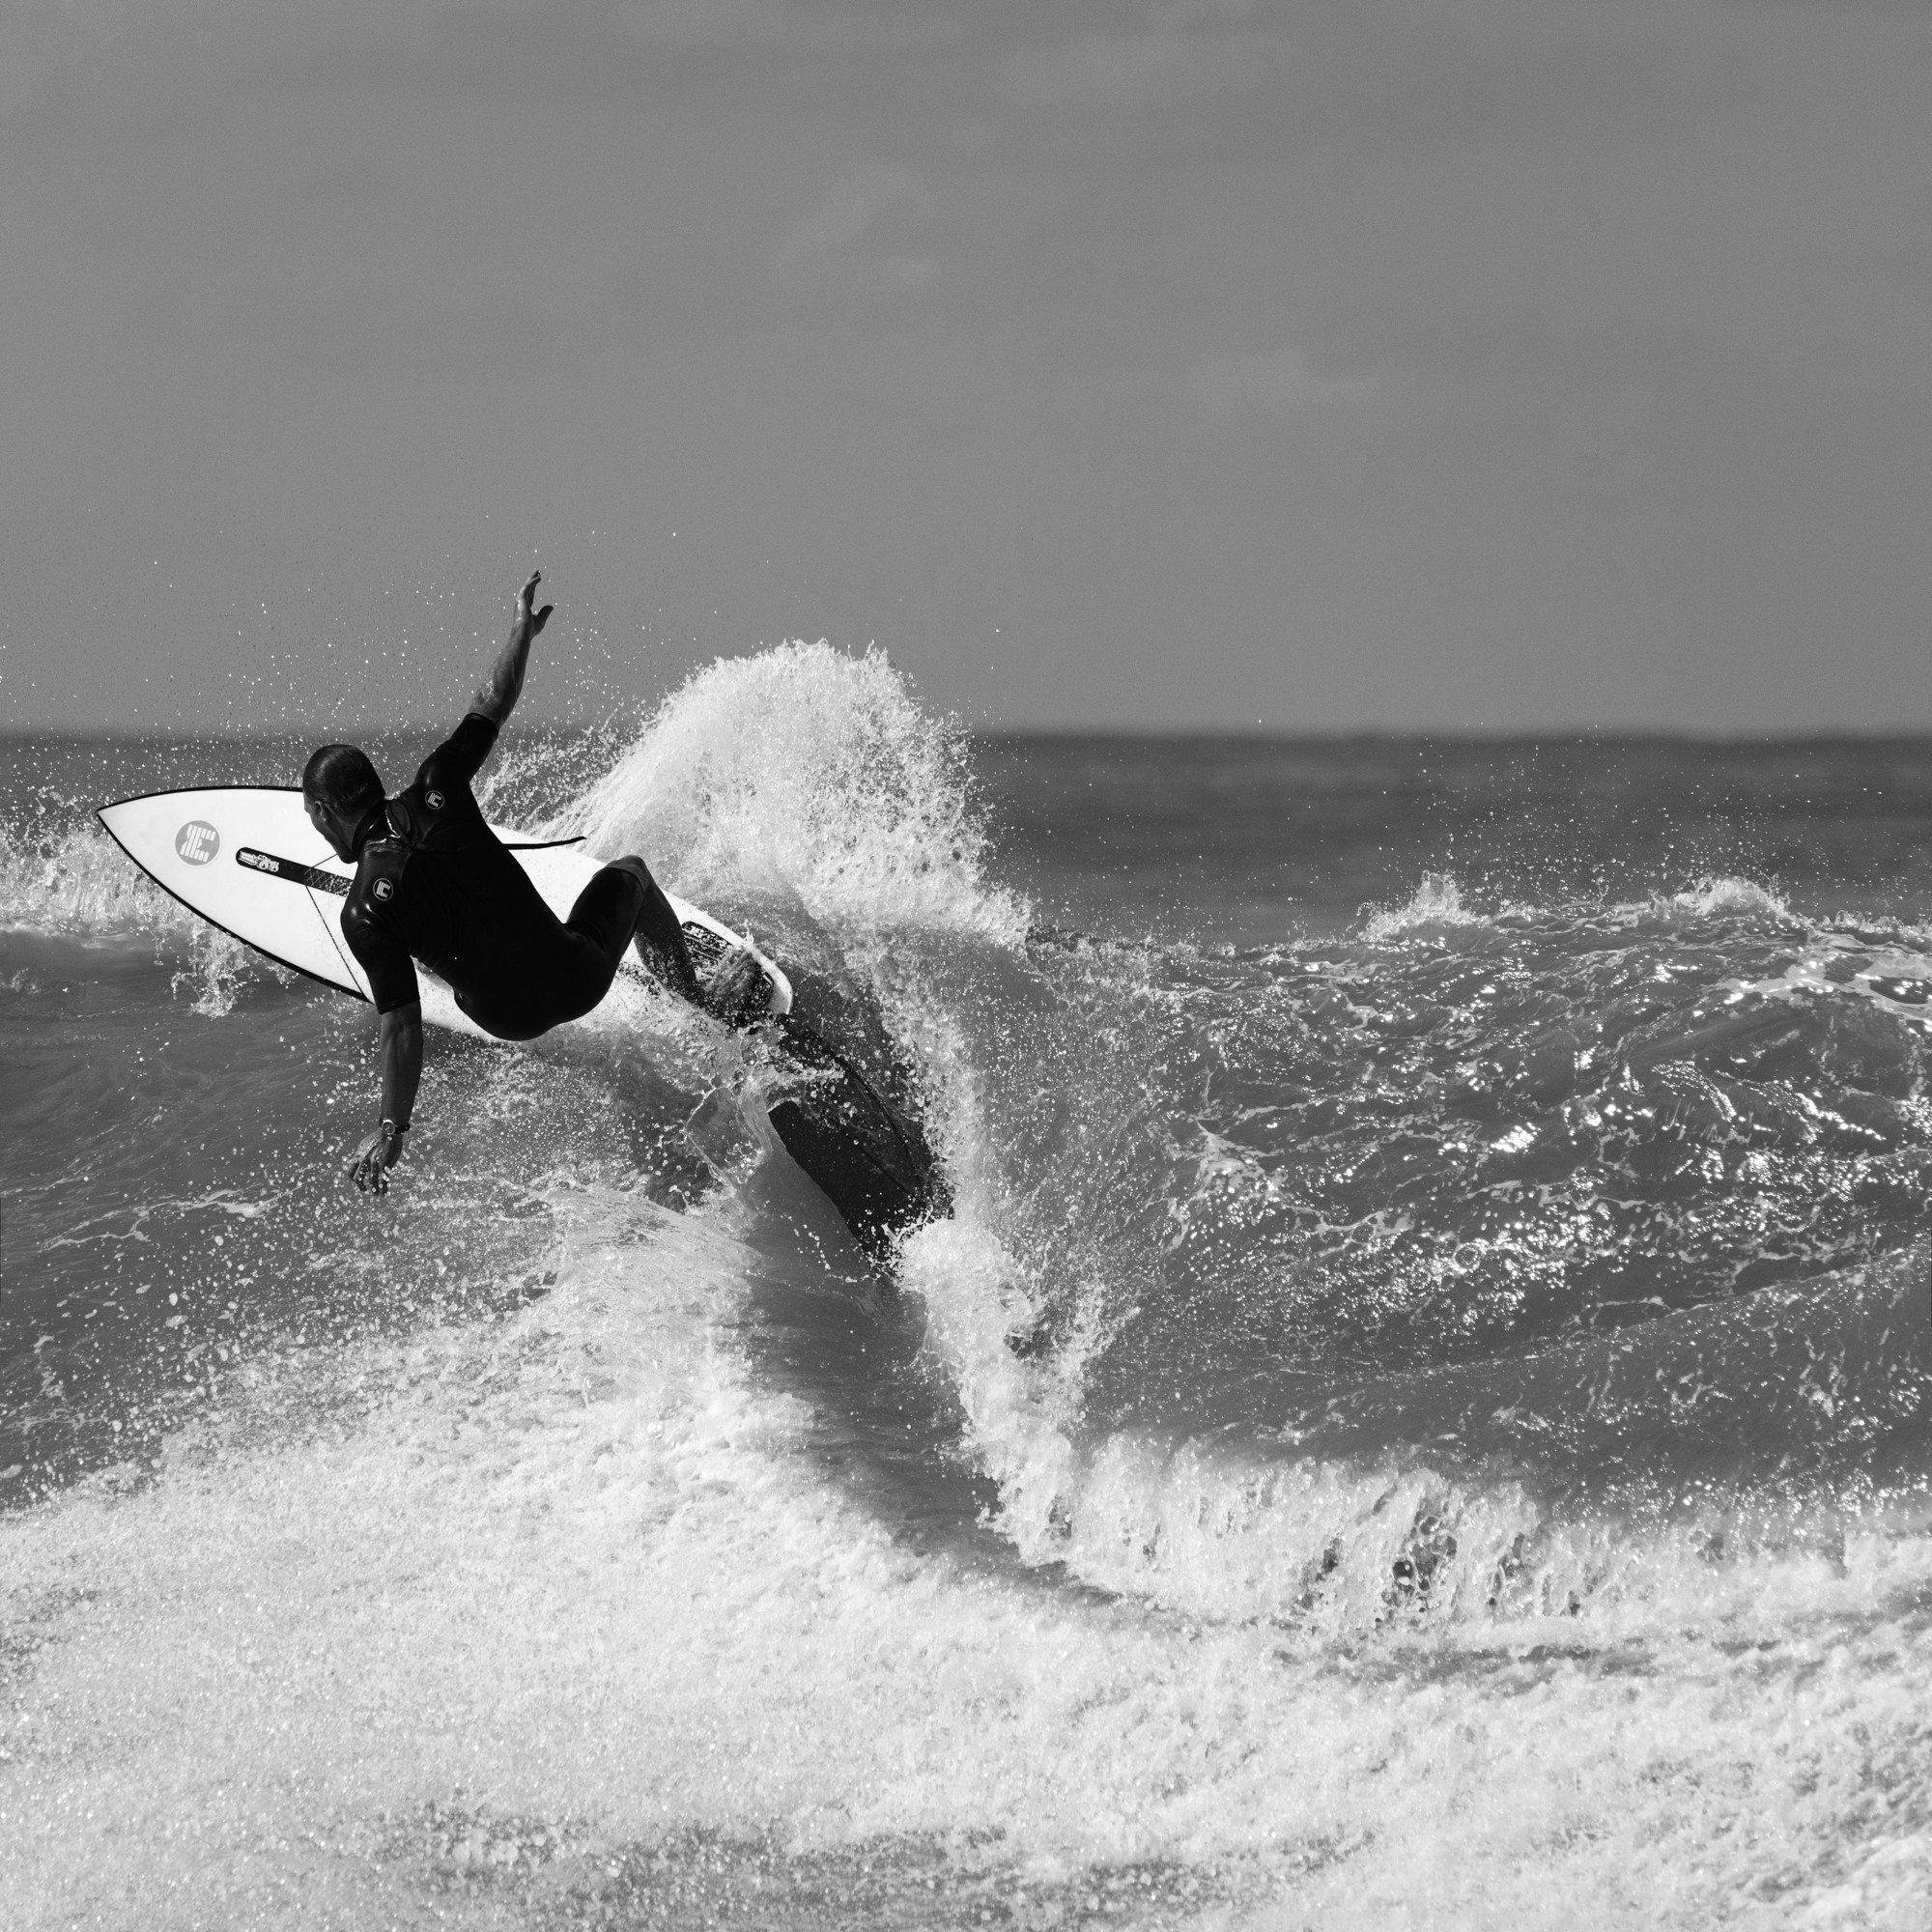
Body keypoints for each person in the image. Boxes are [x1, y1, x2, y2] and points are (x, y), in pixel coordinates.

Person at [302, 570, 760, 1194]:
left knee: (440, 956)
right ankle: (702, 1001)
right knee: (632, 875)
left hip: (503, 1017)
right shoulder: (438, 784)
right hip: (575, 979)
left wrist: (392, 1131)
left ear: (328, 813)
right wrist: (522, 630)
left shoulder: (362, 916)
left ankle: (462, 969)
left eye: (314, 819)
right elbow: (493, 699)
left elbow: (402, 1028)